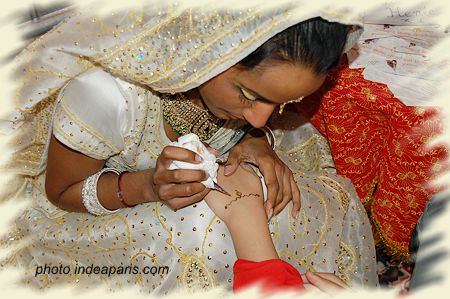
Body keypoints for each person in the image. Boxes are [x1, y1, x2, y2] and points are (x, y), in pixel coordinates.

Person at [0, 1, 378, 294]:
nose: (263, 117)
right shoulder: (106, 95)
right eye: (249, 95)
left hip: (212, 185)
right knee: (206, 231)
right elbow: (61, 192)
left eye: (279, 106)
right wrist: (146, 186)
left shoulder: (247, 102)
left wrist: (255, 141)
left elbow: (258, 122)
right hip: (95, 211)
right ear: (208, 50)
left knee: (304, 203)